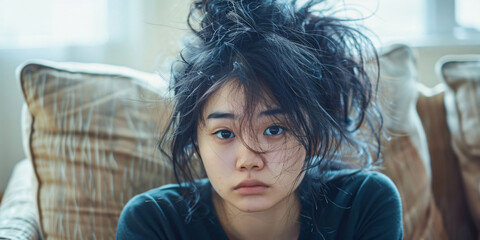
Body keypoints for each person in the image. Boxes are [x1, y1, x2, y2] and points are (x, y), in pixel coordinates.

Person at [116, 0, 403, 239]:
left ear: (314, 139)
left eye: (274, 129)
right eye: (224, 134)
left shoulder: (364, 203)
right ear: (196, 142)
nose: (248, 160)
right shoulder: (153, 222)